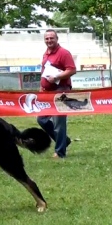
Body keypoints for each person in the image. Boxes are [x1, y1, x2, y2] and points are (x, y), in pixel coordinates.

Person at [37, 29, 76, 159]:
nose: (49, 41)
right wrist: (42, 87)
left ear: (57, 39)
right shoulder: (45, 54)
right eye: (47, 38)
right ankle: (64, 141)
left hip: (61, 90)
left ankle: (60, 152)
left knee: (59, 121)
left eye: (51, 38)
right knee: (41, 119)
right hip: (46, 92)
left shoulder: (64, 53)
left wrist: (57, 76)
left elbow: (72, 70)